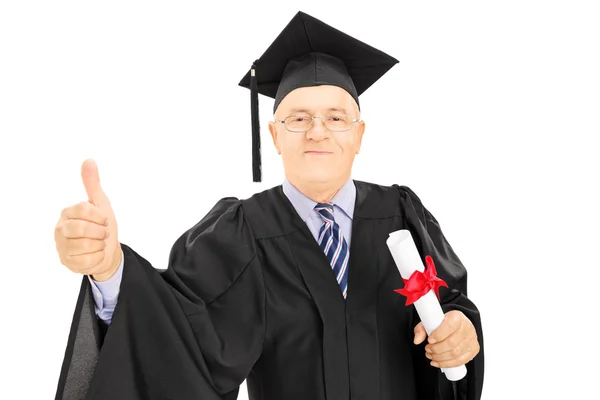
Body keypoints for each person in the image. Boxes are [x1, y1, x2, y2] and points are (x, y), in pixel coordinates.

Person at [53, 11, 484, 400]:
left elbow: (451, 303)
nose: (317, 132)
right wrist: (111, 271)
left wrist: (462, 331)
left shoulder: (402, 214)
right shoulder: (241, 234)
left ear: (359, 134)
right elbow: (180, 334)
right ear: (275, 136)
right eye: (298, 119)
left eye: (336, 118)